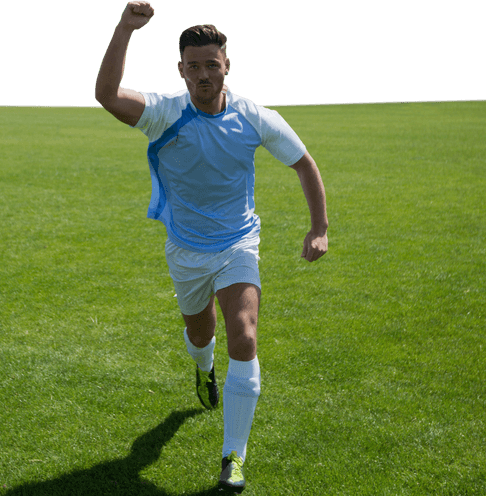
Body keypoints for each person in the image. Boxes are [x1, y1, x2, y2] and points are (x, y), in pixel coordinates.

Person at [94, 1, 328, 492]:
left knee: (244, 334)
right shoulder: (163, 113)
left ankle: (233, 459)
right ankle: (204, 371)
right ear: (181, 70)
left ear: (227, 66)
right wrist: (124, 30)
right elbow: (107, 94)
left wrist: (318, 227)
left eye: (211, 64)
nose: (203, 74)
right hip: (186, 248)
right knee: (202, 337)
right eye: (193, 66)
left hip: (239, 241)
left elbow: (304, 163)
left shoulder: (256, 117)